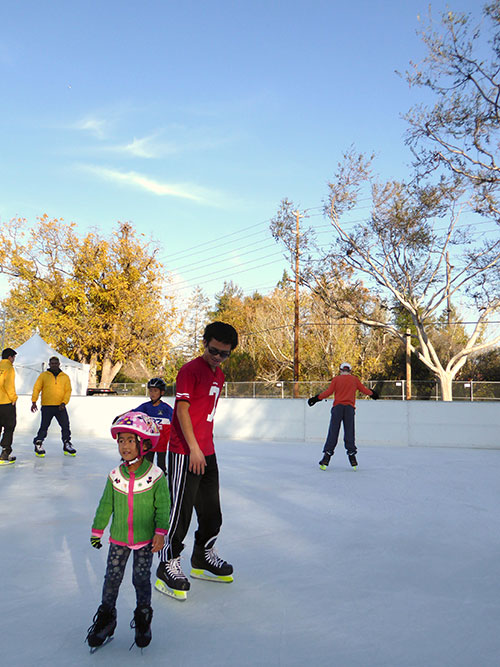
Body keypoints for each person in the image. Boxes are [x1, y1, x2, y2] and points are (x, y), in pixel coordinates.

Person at [155, 321, 238, 601]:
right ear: (205, 343)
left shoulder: (220, 375)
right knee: (180, 512)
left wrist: (203, 449)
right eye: (214, 350)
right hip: (184, 452)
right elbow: (182, 410)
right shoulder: (190, 371)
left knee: (212, 512)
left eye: (224, 353)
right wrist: (192, 448)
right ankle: (168, 563)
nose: (217, 357)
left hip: (207, 451)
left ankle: (202, 556)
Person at [86, 411, 170, 651]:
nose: (124, 446)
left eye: (130, 440)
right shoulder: (115, 476)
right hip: (119, 539)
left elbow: (163, 506)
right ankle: (106, 618)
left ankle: (143, 618)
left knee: (141, 579)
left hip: (145, 540)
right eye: (121, 440)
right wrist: (97, 530)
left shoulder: (156, 476)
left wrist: (160, 531)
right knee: (112, 579)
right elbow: (105, 505)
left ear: (143, 444)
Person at [308, 362, 379, 470]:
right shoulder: (354, 380)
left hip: (337, 408)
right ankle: (352, 458)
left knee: (333, 431)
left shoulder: (336, 380)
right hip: (349, 409)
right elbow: (364, 390)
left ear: (340, 370)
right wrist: (373, 394)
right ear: (350, 370)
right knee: (349, 432)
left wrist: (316, 398)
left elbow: (328, 392)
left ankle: (326, 458)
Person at [31, 356, 75, 457]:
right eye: (52, 363)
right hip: (47, 406)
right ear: (49, 364)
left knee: (65, 426)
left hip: (60, 406)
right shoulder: (44, 376)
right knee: (44, 426)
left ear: (59, 364)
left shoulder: (65, 377)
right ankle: (38, 442)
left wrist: (64, 402)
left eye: (56, 363)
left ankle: (67, 443)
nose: (54, 365)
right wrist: (34, 401)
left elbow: (68, 391)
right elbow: (37, 388)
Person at [132, 378, 173, 474]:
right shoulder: (145, 406)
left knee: (161, 464)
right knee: (147, 463)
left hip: (162, 442)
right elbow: (133, 412)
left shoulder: (166, 408)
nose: (152, 393)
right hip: (149, 441)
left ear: (162, 392)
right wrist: (120, 417)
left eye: (155, 390)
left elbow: (177, 419)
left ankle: (161, 480)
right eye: (150, 390)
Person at [0, 348, 18, 465]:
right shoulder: (9, 368)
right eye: (14, 358)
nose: (14, 360)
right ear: (10, 357)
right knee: (9, 427)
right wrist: (13, 398)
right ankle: (5, 453)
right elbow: (8, 385)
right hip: (6, 403)